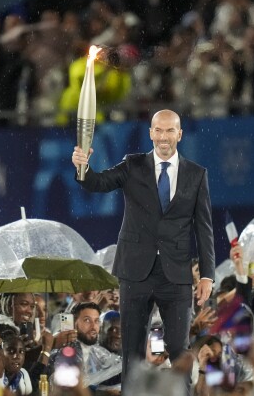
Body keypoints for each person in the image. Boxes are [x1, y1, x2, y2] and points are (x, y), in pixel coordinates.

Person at [72, 109, 216, 389]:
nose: (164, 137)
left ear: (180, 134)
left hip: (175, 275)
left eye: (170, 131)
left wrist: (207, 275)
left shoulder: (197, 175)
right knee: (133, 353)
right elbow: (98, 183)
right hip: (135, 272)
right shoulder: (132, 165)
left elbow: (204, 227)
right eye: (158, 131)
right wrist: (82, 168)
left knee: (178, 349)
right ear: (150, 133)